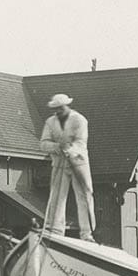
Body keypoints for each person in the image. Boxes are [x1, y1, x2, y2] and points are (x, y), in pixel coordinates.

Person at [40, 93, 96, 241]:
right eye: (56, 108)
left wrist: (69, 150)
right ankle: (56, 231)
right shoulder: (50, 122)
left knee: (84, 194)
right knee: (57, 196)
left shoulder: (79, 120)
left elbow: (81, 142)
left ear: (67, 106)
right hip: (59, 164)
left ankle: (87, 233)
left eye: (61, 108)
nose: (58, 111)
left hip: (78, 162)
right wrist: (57, 146)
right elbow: (43, 143)